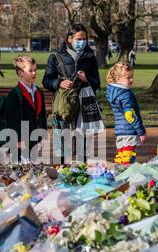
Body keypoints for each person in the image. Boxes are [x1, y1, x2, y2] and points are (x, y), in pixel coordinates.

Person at [42, 23, 101, 162]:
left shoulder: (90, 57)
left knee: (83, 145)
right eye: (79, 39)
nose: (82, 42)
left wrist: (86, 79)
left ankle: (82, 172)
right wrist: (59, 83)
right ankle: (61, 169)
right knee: (62, 144)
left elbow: (97, 83)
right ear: (69, 38)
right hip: (64, 106)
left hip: (83, 104)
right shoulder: (55, 57)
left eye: (84, 39)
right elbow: (46, 81)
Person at [3, 56, 47, 162]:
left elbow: (42, 116)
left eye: (35, 70)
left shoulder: (39, 92)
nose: (34, 73)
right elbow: (11, 120)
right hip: (20, 142)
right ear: (20, 73)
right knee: (20, 173)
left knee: (34, 171)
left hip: (35, 139)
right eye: (30, 70)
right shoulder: (14, 94)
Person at [106, 62, 147, 166]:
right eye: (128, 78)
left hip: (120, 130)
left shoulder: (112, 91)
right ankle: (126, 179)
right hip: (129, 130)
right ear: (118, 79)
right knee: (128, 159)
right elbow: (129, 115)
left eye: (132, 77)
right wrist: (141, 131)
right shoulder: (126, 94)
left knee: (121, 157)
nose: (132, 80)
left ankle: (118, 176)